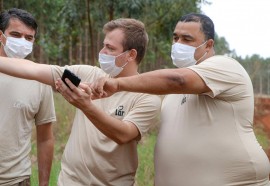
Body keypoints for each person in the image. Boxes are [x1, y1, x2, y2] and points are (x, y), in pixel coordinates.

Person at [90, 13, 270, 186]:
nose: (178, 44)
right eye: (175, 38)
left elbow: (178, 80)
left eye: (187, 39)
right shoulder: (171, 98)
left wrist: (118, 84)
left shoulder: (225, 66)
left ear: (208, 45)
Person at [0, 18, 161, 185]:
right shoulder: (88, 74)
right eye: (103, 45)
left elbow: (123, 134)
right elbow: (34, 69)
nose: (102, 52)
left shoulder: (147, 98)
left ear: (131, 54)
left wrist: (86, 105)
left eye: (110, 48)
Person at [0, 8, 56, 186]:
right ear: (1, 36)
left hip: (16, 179)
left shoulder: (40, 78)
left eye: (29, 38)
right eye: (15, 35)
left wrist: (44, 183)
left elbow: (45, 137)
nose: (22, 42)